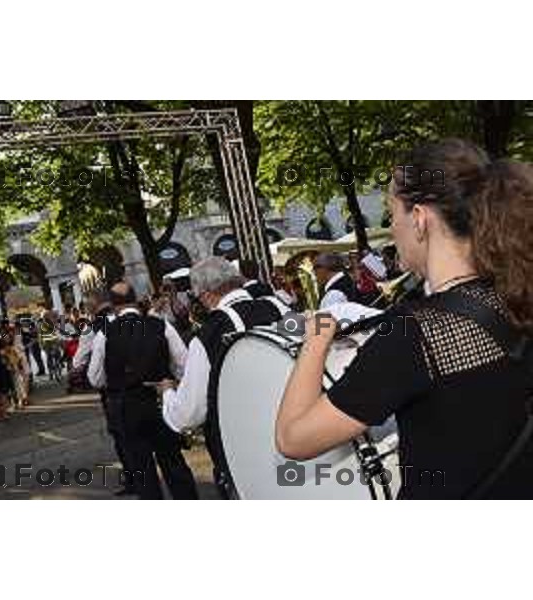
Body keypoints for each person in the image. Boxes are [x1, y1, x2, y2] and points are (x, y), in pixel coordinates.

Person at [276, 138, 533, 499]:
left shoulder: (415, 333)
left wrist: (316, 339)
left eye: (391, 212)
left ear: (420, 219)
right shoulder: (517, 298)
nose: (392, 227)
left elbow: (294, 438)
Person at [159, 257, 287, 496]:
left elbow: (187, 416)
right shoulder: (280, 307)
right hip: (301, 438)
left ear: (206, 295)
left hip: (247, 459)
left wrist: (167, 392)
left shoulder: (208, 336)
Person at [88, 282, 198, 500]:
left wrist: (117, 379)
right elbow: (184, 364)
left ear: (113, 305)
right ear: (135, 299)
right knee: (173, 461)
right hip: (160, 401)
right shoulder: (161, 325)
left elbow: (95, 378)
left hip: (127, 406)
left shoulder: (105, 334)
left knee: (141, 469)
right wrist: (168, 380)